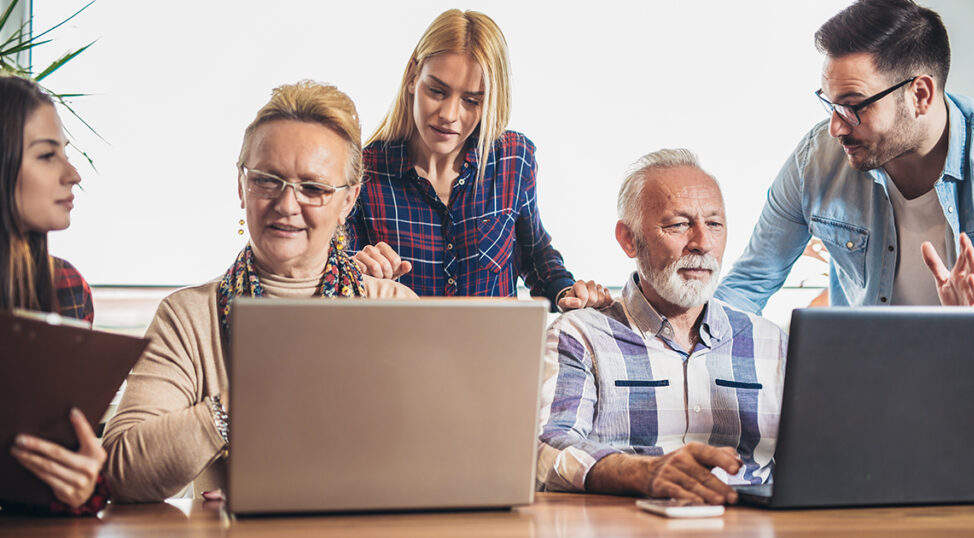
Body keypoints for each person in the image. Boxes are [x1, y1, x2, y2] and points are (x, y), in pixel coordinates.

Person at [101, 81, 416, 502]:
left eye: (314, 188)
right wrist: (247, 398)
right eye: (268, 181)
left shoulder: (396, 311)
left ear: (348, 201)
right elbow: (121, 470)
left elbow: (437, 458)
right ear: (241, 186)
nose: (287, 205)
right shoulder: (189, 317)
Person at [715, 0, 974, 312]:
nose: (836, 128)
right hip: (857, 359)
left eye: (853, 106)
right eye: (832, 105)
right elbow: (748, 284)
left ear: (920, 95)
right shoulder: (817, 160)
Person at [536, 149, 786, 505]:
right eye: (679, 224)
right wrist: (642, 473)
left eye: (714, 224)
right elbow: (548, 448)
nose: (702, 243)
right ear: (628, 239)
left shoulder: (771, 341)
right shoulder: (580, 336)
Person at [348, 9, 610, 312]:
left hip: (497, 354)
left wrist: (567, 292)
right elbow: (336, 276)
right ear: (411, 76)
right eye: (436, 91)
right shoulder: (362, 172)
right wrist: (357, 272)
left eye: (471, 100)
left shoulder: (514, 159)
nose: (449, 115)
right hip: (400, 354)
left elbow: (537, 256)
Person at [0, 75, 108, 515]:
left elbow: (68, 458)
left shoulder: (69, 291)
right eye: (47, 155)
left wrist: (84, 487)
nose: (73, 174)